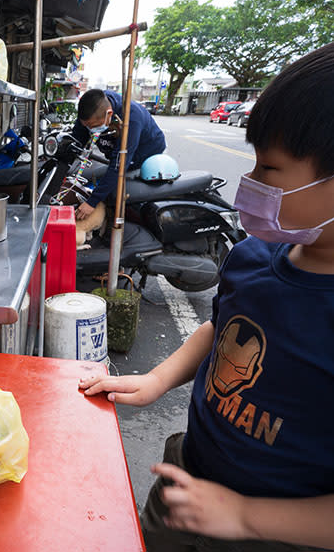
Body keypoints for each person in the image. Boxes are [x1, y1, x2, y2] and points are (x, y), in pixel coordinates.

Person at [79, 43, 334, 551]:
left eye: (271, 170)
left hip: (274, 533)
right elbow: (221, 329)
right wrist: (157, 379)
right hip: (186, 478)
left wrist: (245, 516)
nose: (251, 183)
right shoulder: (253, 257)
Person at [70, 89, 166, 244]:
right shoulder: (90, 110)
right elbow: (76, 140)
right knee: (98, 180)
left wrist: (92, 202)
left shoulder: (131, 118)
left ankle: (141, 235)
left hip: (145, 154)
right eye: (86, 125)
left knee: (125, 192)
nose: (90, 129)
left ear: (109, 114)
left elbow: (118, 165)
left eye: (93, 126)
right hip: (118, 153)